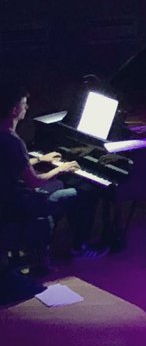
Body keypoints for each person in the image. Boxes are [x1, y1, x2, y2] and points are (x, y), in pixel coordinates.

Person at [0, 83, 106, 270]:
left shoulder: (4, 137)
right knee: (86, 192)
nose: (27, 108)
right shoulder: (13, 141)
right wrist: (60, 168)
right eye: (24, 104)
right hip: (24, 203)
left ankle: (41, 245)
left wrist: (40, 158)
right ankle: (79, 247)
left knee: (61, 184)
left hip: (8, 199)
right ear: (15, 109)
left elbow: (12, 164)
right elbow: (34, 181)